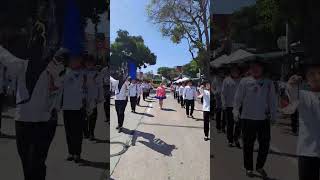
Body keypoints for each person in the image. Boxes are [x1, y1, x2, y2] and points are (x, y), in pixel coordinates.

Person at [1, 46, 70, 180]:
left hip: (46, 122)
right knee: (26, 160)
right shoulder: (24, 64)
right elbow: (5, 57)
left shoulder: (61, 72)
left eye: (60, 59)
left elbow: (59, 94)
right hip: (23, 120)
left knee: (37, 161)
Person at [233, 61, 277, 178]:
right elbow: (238, 98)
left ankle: (260, 166)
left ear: (262, 68)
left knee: (264, 145)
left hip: (263, 119)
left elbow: (272, 100)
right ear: (250, 69)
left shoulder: (268, 83)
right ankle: (248, 168)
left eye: (258, 67)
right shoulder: (244, 81)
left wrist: (274, 115)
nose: (255, 69)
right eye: (253, 67)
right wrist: (236, 111)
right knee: (248, 145)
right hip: (247, 118)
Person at [286, 62, 320, 180]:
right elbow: (292, 96)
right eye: (312, 74)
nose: (316, 77)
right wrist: (291, 84)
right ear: (306, 78)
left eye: (319, 73)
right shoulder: (303, 95)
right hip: (307, 151)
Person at [62, 55, 86, 163]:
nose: (75, 61)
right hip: (67, 107)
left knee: (78, 132)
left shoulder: (83, 74)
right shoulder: (64, 73)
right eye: (73, 60)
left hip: (79, 107)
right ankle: (70, 152)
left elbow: (87, 89)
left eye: (77, 59)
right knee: (69, 131)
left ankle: (77, 153)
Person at [221, 67, 241, 148]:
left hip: (239, 106)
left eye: (237, 71)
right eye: (234, 71)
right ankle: (230, 140)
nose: (235, 72)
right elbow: (223, 93)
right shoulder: (226, 80)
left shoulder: (241, 80)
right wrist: (223, 103)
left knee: (239, 124)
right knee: (230, 124)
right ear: (231, 71)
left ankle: (236, 138)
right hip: (229, 105)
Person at [83, 54, 101, 140]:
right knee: (84, 117)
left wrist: (100, 97)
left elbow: (100, 86)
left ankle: (91, 133)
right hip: (83, 98)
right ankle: (85, 132)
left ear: (93, 63)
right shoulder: (82, 72)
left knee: (93, 117)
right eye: (87, 63)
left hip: (93, 98)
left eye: (91, 63)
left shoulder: (97, 74)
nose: (89, 64)